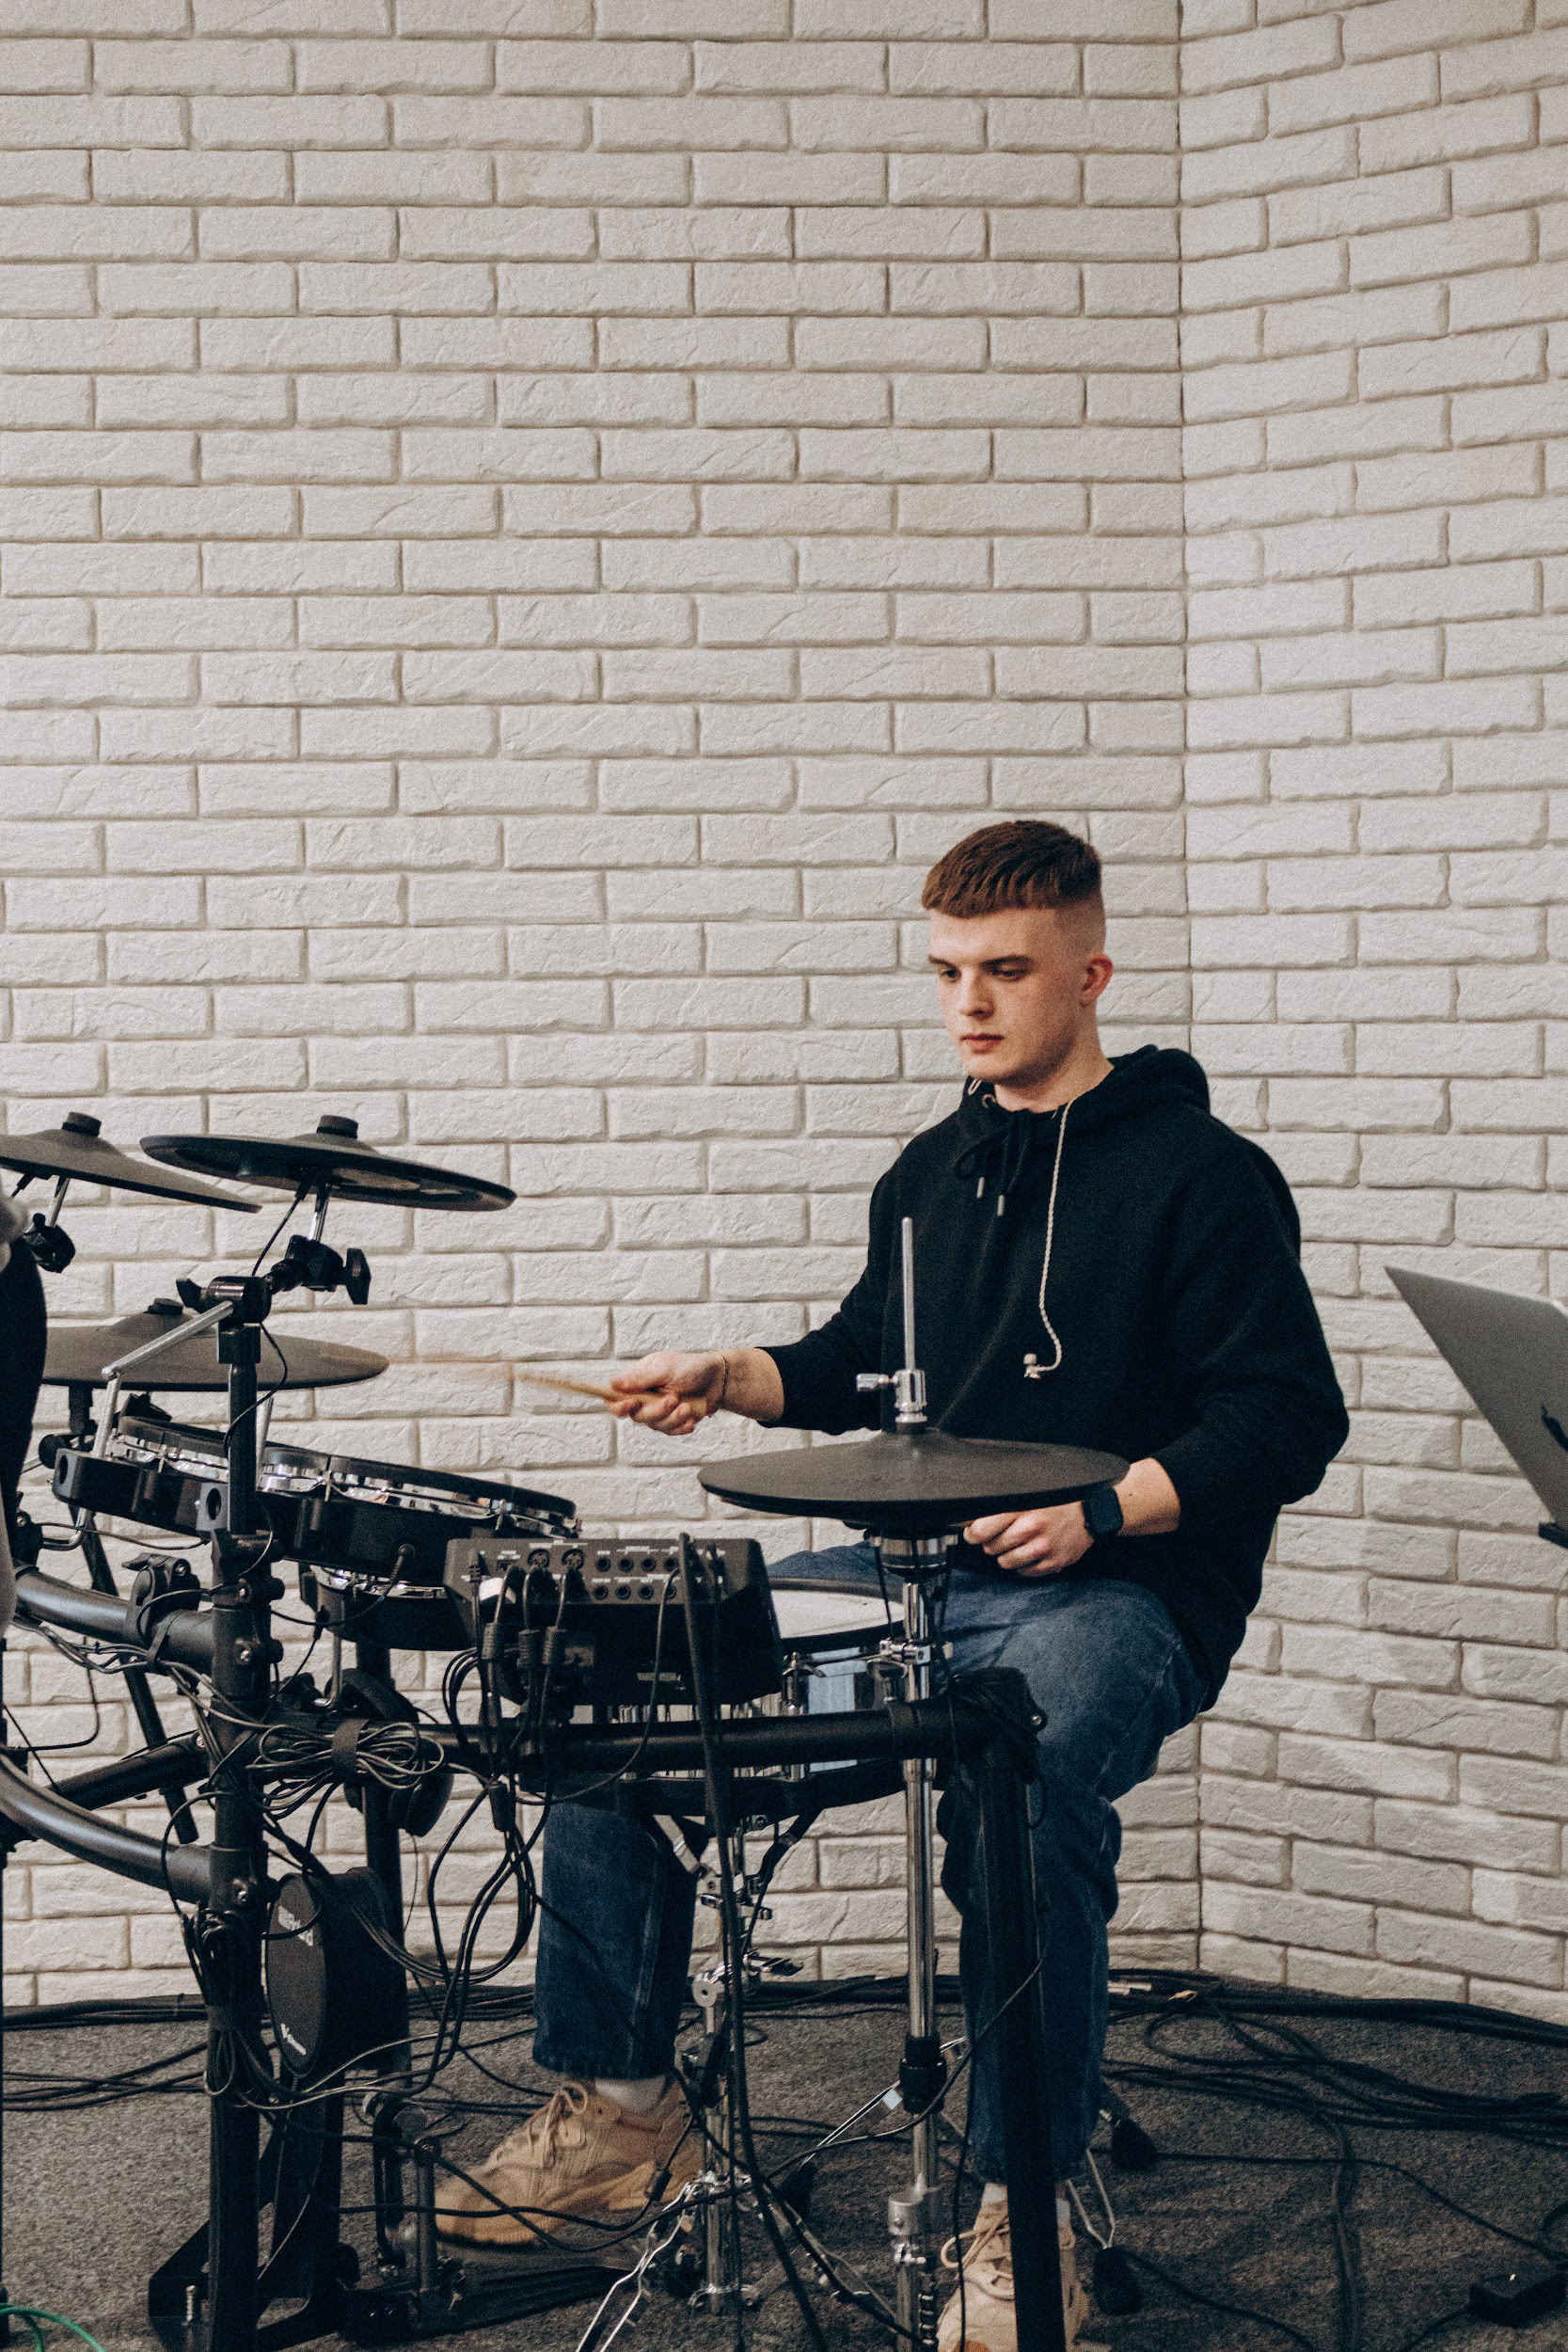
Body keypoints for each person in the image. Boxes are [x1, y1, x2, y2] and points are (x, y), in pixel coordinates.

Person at [438, 818, 1349, 2351]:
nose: (969, 1003)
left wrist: (1105, 1510)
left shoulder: (1204, 1177)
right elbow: (866, 1361)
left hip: (1115, 1595)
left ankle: (1019, 2206)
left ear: (1091, 975)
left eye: (1006, 971)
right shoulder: (933, 1170)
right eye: (946, 972)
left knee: (1021, 1771)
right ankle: (624, 2106)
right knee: (627, 1673)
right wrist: (730, 1373)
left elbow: (1287, 1416)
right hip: (909, 1566)